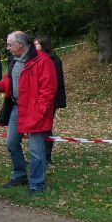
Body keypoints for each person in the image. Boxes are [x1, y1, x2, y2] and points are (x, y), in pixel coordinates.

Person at [0, 31, 57, 194]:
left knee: (36, 150)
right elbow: (11, 80)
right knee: (12, 143)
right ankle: (20, 175)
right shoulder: (14, 60)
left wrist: (41, 110)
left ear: (20, 44)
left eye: (9, 44)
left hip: (35, 110)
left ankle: (37, 184)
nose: (7, 48)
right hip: (17, 108)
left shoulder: (42, 60)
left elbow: (49, 88)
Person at [33, 35, 67, 165]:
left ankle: (46, 156)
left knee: (46, 127)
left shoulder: (54, 60)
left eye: (36, 44)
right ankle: (39, 154)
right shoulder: (35, 59)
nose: (34, 47)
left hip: (50, 100)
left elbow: (55, 83)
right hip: (37, 98)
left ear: (43, 45)